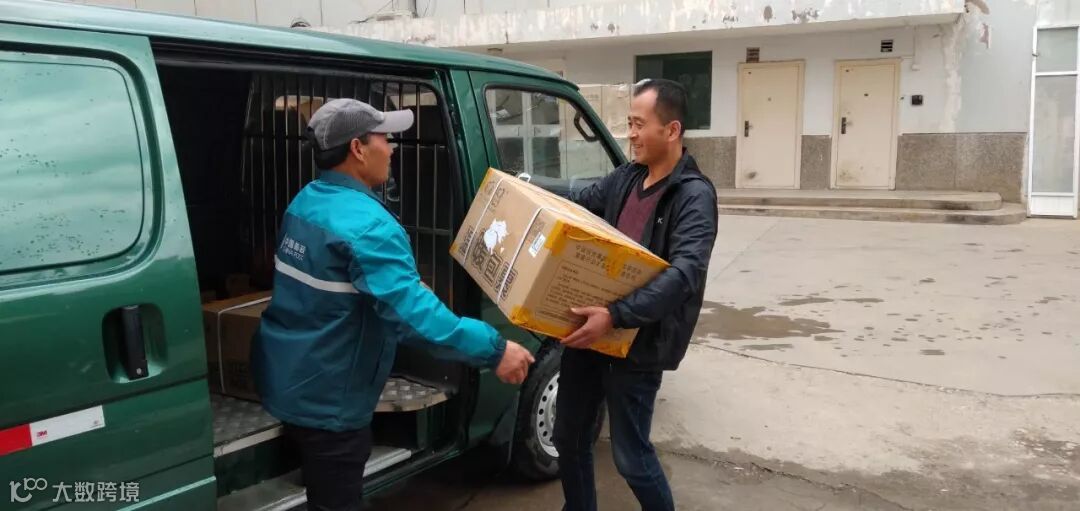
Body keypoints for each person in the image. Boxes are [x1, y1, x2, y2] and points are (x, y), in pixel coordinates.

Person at [252, 98, 535, 511]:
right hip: (331, 400)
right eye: (385, 138)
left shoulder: (306, 201)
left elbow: (333, 288)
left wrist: (401, 285)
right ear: (357, 148)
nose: (393, 148)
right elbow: (415, 320)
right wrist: (494, 349)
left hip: (289, 375)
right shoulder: (368, 227)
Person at [553, 79, 718, 511]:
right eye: (629, 123)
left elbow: (684, 275)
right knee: (568, 436)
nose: (631, 134)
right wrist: (522, 188)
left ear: (672, 130)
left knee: (631, 458)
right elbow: (580, 199)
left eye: (639, 124)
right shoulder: (626, 178)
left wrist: (616, 314)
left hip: (638, 343)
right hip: (590, 333)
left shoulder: (693, 196)